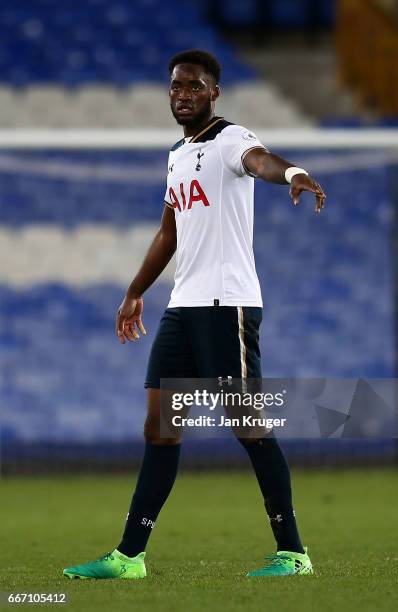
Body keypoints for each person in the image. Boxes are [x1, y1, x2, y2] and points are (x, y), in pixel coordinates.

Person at [63, 49, 326, 580]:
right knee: (160, 426)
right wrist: (135, 291)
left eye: (194, 86)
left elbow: (262, 162)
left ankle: (294, 553)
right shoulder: (178, 156)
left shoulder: (231, 139)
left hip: (226, 304)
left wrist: (293, 172)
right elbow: (170, 230)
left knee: (247, 425)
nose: (182, 93)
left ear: (214, 93)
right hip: (182, 307)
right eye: (176, 86)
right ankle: (130, 555)